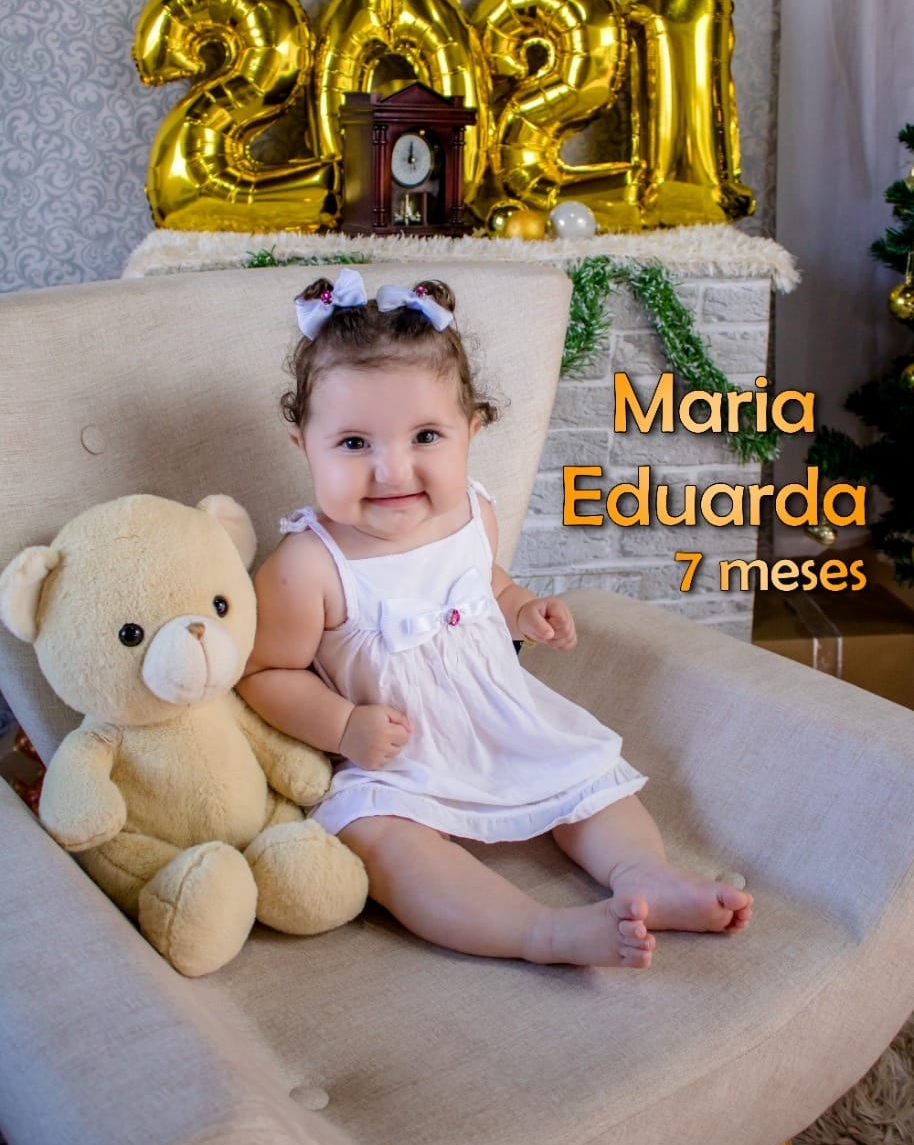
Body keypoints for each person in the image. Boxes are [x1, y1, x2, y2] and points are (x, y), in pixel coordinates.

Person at [237, 268, 753, 969]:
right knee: (378, 840)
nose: (393, 471)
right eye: (355, 444)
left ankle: (645, 876)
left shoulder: (472, 512)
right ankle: (540, 932)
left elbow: (486, 583)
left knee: (588, 775)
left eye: (425, 436)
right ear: (304, 443)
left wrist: (522, 608)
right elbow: (264, 673)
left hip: (503, 720)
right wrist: (342, 725)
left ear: (471, 431)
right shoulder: (307, 566)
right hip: (397, 757)